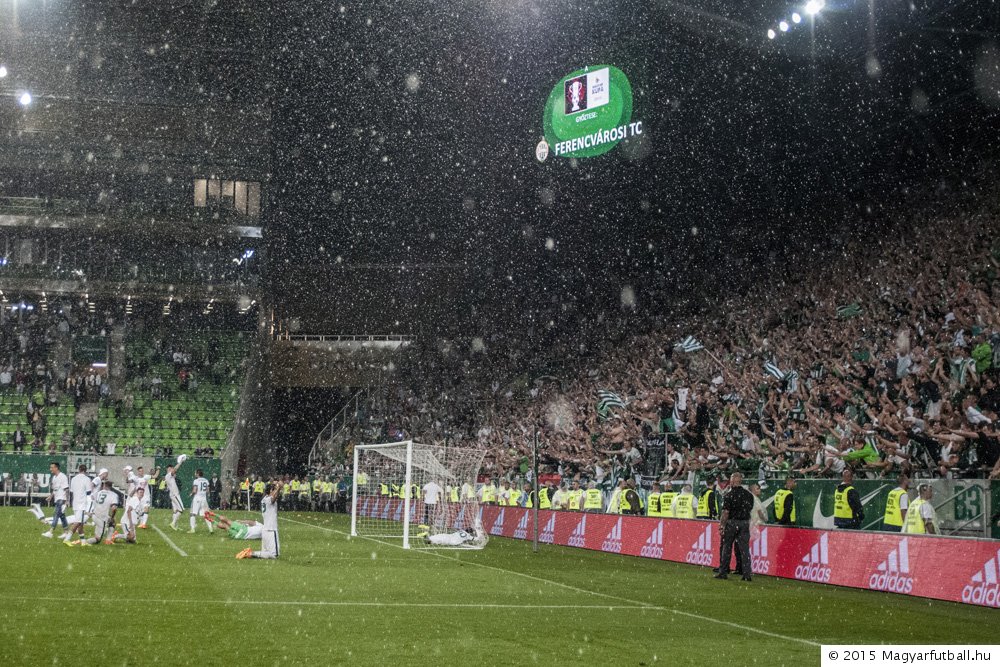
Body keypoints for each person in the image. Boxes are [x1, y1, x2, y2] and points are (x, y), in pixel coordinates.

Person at [715, 472, 754, 582]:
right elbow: (750, 509)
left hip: (732, 523)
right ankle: (746, 574)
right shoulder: (749, 495)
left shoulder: (729, 495)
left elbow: (726, 512)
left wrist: (722, 525)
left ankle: (723, 572)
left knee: (726, 547)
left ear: (732, 481)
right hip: (745, 522)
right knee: (744, 549)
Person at [237, 481, 282, 560]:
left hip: (265, 530)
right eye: (273, 490)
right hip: (271, 529)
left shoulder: (263, 499)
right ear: (271, 491)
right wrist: (279, 488)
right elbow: (274, 498)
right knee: (274, 555)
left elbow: (274, 498)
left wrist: (277, 488)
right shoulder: (268, 499)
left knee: (265, 553)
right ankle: (251, 553)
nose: (275, 491)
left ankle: (251, 553)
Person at [65, 464, 92, 545]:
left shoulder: (73, 479)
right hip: (82, 503)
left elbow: (72, 491)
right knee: (78, 522)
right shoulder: (87, 479)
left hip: (75, 503)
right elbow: (88, 492)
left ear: (79, 469)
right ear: (85, 470)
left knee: (80, 523)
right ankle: (67, 539)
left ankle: (83, 541)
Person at [42, 462, 70, 540]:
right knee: (62, 516)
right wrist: (51, 496)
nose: (50, 469)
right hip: (57, 499)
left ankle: (50, 532)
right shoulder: (54, 477)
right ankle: (66, 532)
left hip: (62, 499)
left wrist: (67, 501)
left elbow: (66, 489)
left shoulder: (63, 476)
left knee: (56, 515)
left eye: (52, 467)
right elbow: (55, 489)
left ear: (56, 468)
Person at [189, 469, 214, 533]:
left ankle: (192, 529)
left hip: (197, 498)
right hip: (204, 499)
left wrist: (191, 493)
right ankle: (211, 529)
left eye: (195, 473)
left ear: (197, 474)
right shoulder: (206, 480)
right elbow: (208, 491)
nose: (195, 474)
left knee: (192, 514)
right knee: (206, 514)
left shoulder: (196, 481)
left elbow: (195, 490)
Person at [165, 456, 186, 531]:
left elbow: (174, 472)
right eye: (170, 469)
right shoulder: (168, 475)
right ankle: (173, 523)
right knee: (181, 510)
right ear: (168, 469)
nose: (172, 470)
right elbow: (175, 470)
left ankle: (175, 526)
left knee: (176, 510)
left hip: (173, 494)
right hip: (175, 495)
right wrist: (180, 462)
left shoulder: (170, 476)